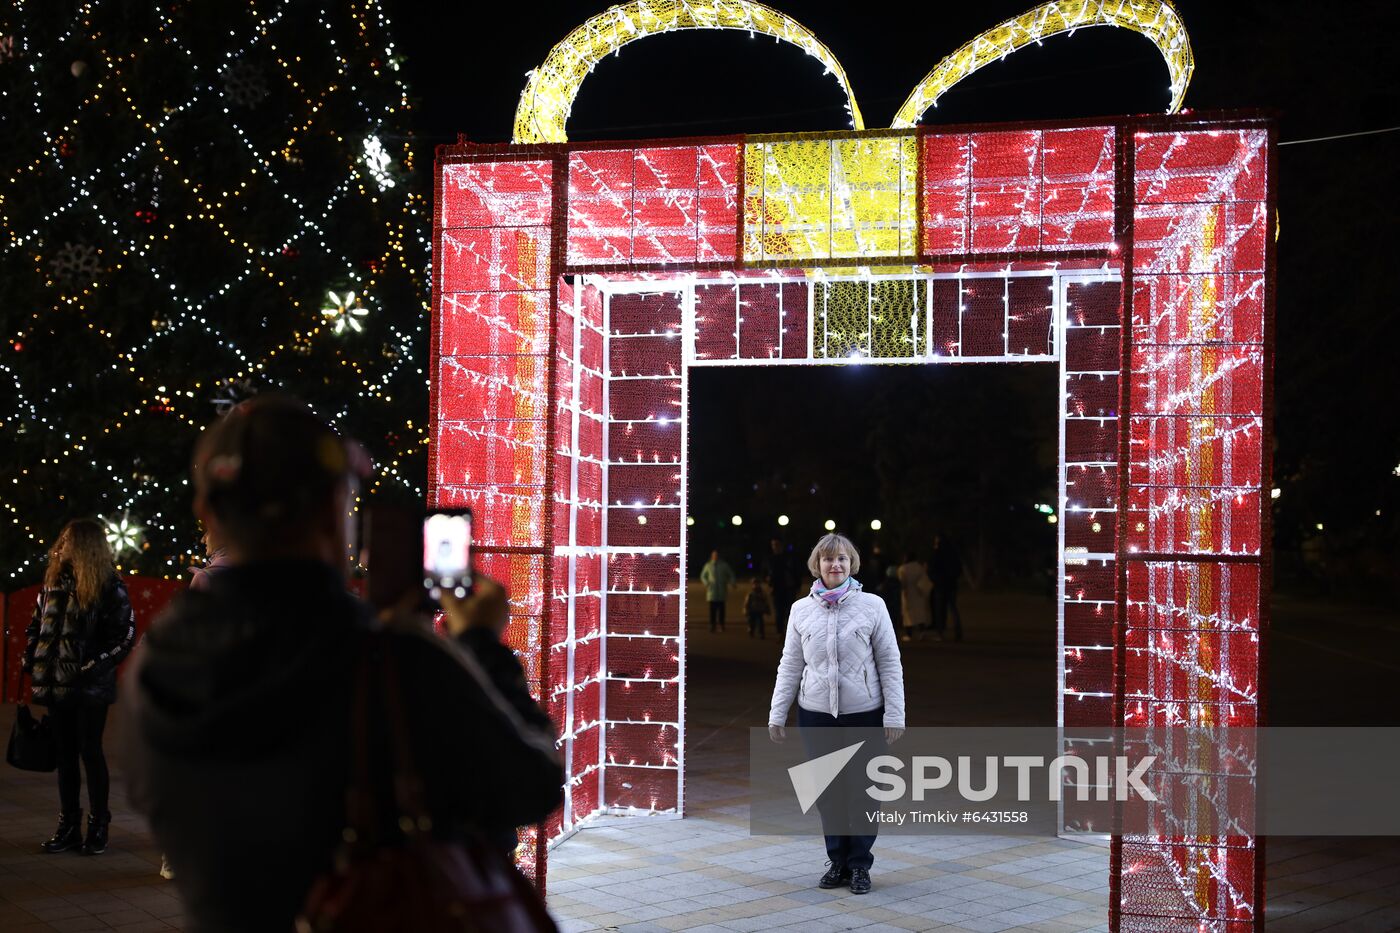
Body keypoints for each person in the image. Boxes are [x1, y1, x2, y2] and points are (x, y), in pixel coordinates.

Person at [119, 395, 564, 932]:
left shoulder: (153, 667)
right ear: (335, 511)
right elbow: (532, 784)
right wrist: (481, 647)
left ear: (207, 513)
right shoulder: (391, 659)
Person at [768, 533, 905, 896]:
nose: (836, 565)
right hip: (815, 715)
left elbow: (890, 662)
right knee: (827, 791)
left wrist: (895, 714)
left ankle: (860, 865)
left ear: (852, 564)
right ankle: (838, 861)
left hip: (865, 714)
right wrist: (777, 712)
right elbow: (790, 663)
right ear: (817, 565)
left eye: (842, 559)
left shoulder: (873, 606)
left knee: (862, 792)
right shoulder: (800, 609)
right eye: (829, 559)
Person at [22, 518, 136, 856]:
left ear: (86, 545)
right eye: (62, 538)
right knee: (66, 756)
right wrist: (33, 658)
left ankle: (99, 825)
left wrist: (89, 668)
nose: (62, 544)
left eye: (69, 540)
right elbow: (35, 626)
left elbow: (124, 635)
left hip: (89, 688)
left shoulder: (108, 585)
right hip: (56, 685)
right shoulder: (53, 583)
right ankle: (68, 825)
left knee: (90, 751)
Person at [929, 533, 964, 641]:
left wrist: (935, 579)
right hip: (952, 585)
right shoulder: (953, 553)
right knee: (953, 609)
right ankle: (958, 632)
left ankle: (940, 633)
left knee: (940, 610)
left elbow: (932, 569)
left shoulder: (937, 553)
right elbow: (959, 568)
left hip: (940, 586)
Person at [896, 551, 932, 640]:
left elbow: (902, 583)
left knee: (908, 614)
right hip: (918, 592)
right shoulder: (919, 567)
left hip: (908, 592)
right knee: (920, 612)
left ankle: (909, 634)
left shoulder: (902, 569)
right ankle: (922, 632)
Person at [766, 538, 797, 639]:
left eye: (777, 544)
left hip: (789, 588)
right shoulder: (770, 558)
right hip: (777, 589)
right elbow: (766, 572)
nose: (775, 547)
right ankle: (780, 632)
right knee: (779, 612)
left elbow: (796, 571)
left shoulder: (788, 557)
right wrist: (769, 582)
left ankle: (789, 633)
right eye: (773, 545)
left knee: (789, 611)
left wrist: (797, 585)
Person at [700, 549, 735, 632]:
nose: (715, 556)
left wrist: (732, 582)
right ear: (712, 556)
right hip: (712, 592)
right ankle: (712, 625)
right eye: (714, 555)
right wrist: (707, 583)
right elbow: (703, 576)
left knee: (722, 610)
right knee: (712, 610)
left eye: (717, 555)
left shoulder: (724, 565)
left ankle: (721, 624)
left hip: (722, 592)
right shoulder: (708, 565)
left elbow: (731, 574)